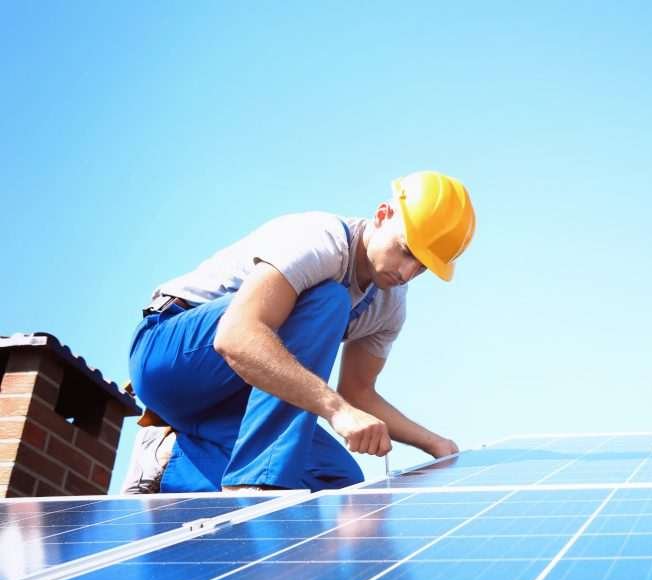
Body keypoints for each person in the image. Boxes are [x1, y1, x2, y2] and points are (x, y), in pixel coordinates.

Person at [124, 171, 473, 493]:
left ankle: (167, 460)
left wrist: (434, 444)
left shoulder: (389, 304)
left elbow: (358, 394)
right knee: (329, 299)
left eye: (423, 266)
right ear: (382, 215)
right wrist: (337, 411)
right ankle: (254, 485)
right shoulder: (322, 241)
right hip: (170, 359)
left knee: (336, 483)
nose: (409, 271)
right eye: (407, 251)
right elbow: (235, 336)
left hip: (236, 397)